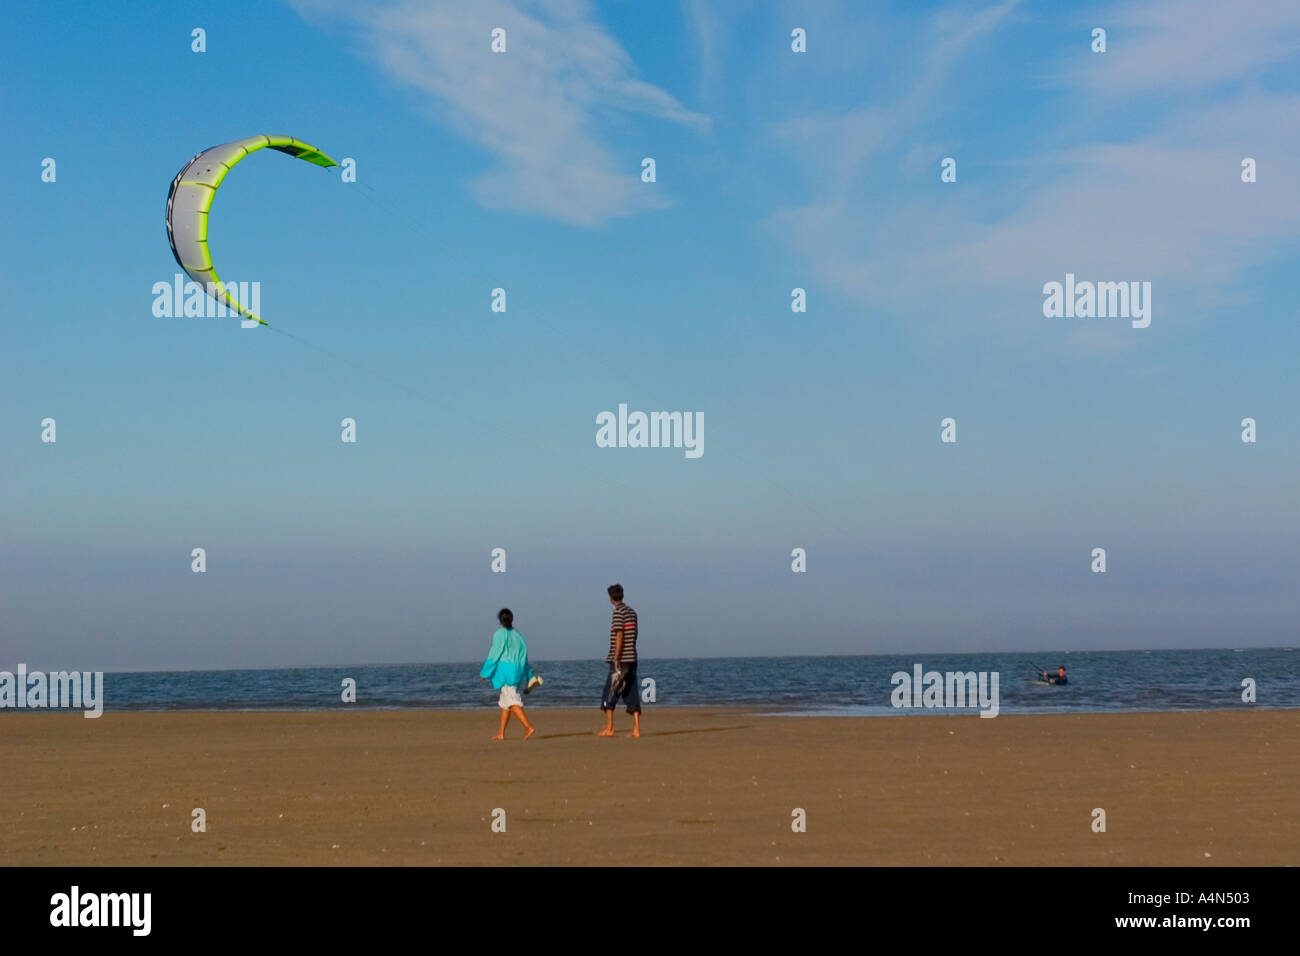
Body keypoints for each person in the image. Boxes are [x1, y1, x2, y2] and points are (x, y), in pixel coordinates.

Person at [479, 608, 536, 740]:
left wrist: (484, 672)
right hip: (517, 670)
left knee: (512, 700)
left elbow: (495, 653)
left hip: (506, 671)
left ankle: (528, 727)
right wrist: (528, 674)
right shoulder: (519, 635)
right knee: (505, 703)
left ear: (500, 620)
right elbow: (524, 655)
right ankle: (501, 733)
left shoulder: (500, 634)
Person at [598, 583, 641, 738]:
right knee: (631, 690)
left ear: (611, 598)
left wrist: (616, 658)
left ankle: (610, 728)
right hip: (632, 658)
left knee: (610, 692)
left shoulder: (618, 612)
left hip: (621, 659)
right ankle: (636, 729)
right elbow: (633, 635)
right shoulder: (632, 612)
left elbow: (619, 636)